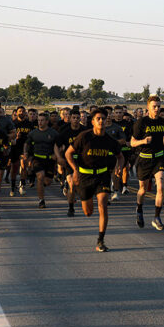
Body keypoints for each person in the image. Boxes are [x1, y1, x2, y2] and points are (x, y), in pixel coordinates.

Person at [66, 108, 124, 252]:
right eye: (98, 118)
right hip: (84, 176)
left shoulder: (110, 140)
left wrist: (119, 167)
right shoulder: (84, 137)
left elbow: (120, 156)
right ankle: (81, 201)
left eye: (103, 118)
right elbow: (68, 153)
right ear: (92, 121)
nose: (101, 121)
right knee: (88, 212)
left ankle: (100, 240)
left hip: (102, 176)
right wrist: (74, 170)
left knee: (103, 204)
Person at [131, 95, 164, 231]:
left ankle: (157, 217)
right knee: (142, 190)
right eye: (154, 106)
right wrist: (143, 141)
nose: (157, 109)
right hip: (144, 159)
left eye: (159, 106)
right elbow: (132, 142)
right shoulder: (141, 123)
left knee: (161, 186)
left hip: (159, 158)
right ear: (148, 107)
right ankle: (139, 209)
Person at [25, 112, 60, 208]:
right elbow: (26, 144)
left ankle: (40, 187)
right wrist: (25, 153)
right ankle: (41, 200)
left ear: (47, 121)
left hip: (49, 160)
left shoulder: (53, 133)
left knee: (48, 181)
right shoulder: (33, 133)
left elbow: (61, 146)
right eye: (39, 120)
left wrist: (56, 154)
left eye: (42, 120)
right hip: (37, 158)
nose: (40, 122)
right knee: (40, 176)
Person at [55, 109, 84, 217]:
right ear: (70, 118)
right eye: (74, 118)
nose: (76, 120)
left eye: (78, 118)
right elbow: (56, 146)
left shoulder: (84, 131)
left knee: (79, 185)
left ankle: (69, 187)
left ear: (80, 118)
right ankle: (71, 208)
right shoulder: (65, 131)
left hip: (82, 161)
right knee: (72, 183)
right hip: (69, 161)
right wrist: (58, 159)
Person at [10, 106, 33, 196]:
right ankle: (12, 186)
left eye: (23, 111)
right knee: (14, 168)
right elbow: (9, 137)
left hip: (25, 147)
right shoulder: (13, 123)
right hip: (15, 147)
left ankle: (22, 184)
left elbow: (32, 136)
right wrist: (16, 137)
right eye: (20, 111)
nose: (21, 113)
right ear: (17, 112)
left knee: (24, 165)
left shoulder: (29, 124)